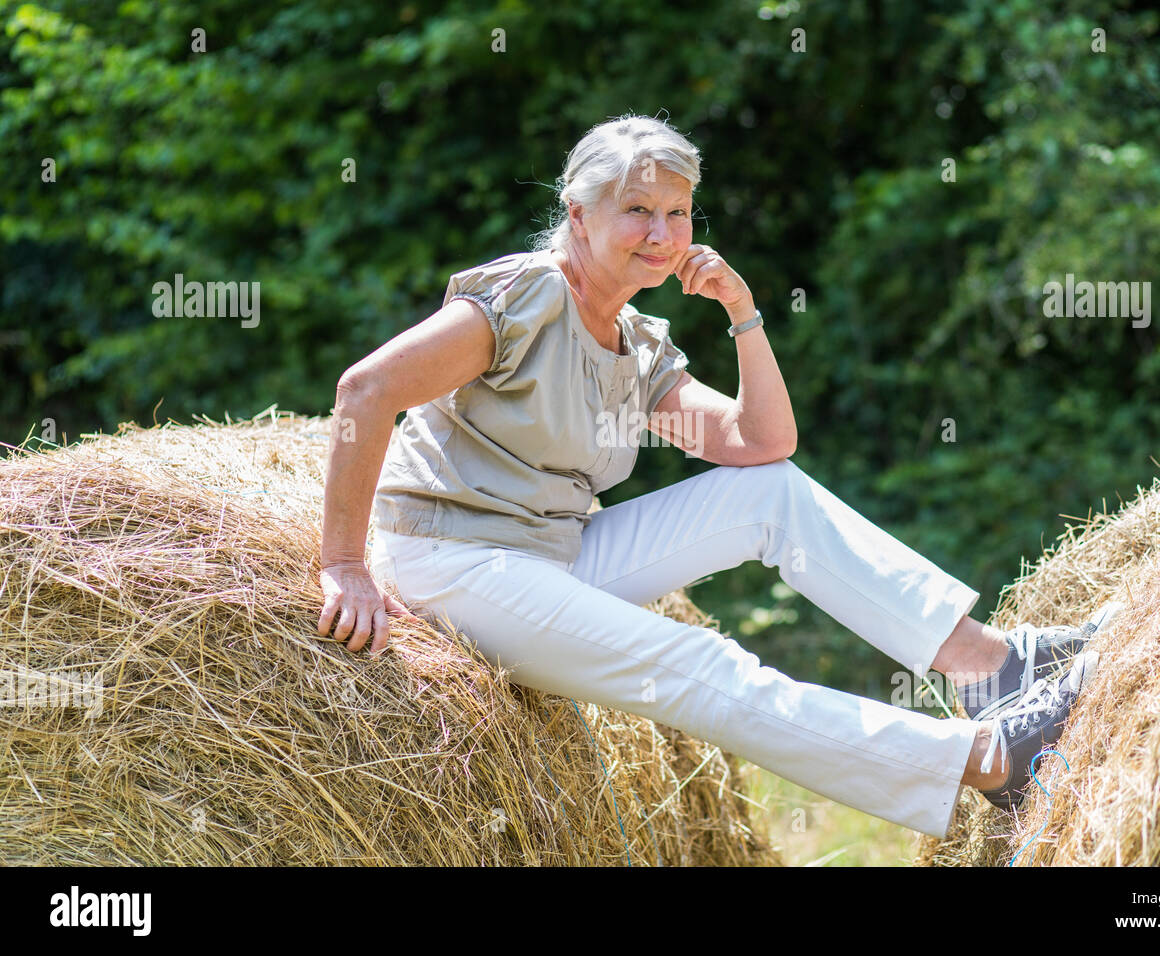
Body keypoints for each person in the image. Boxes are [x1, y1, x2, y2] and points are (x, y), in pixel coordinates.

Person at [316, 113, 1106, 839]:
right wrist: (345, 566)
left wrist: (743, 311)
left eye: (678, 212)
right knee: (699, 668)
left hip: (550, 554)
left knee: (768, 495)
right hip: (453, 562)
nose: (661, 232)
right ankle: (991, 758)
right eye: (637, 209)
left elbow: (761, 444)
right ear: (579, 212)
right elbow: (366, 389)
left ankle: (995, 667)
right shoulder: (527, 298)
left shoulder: (636, 343)